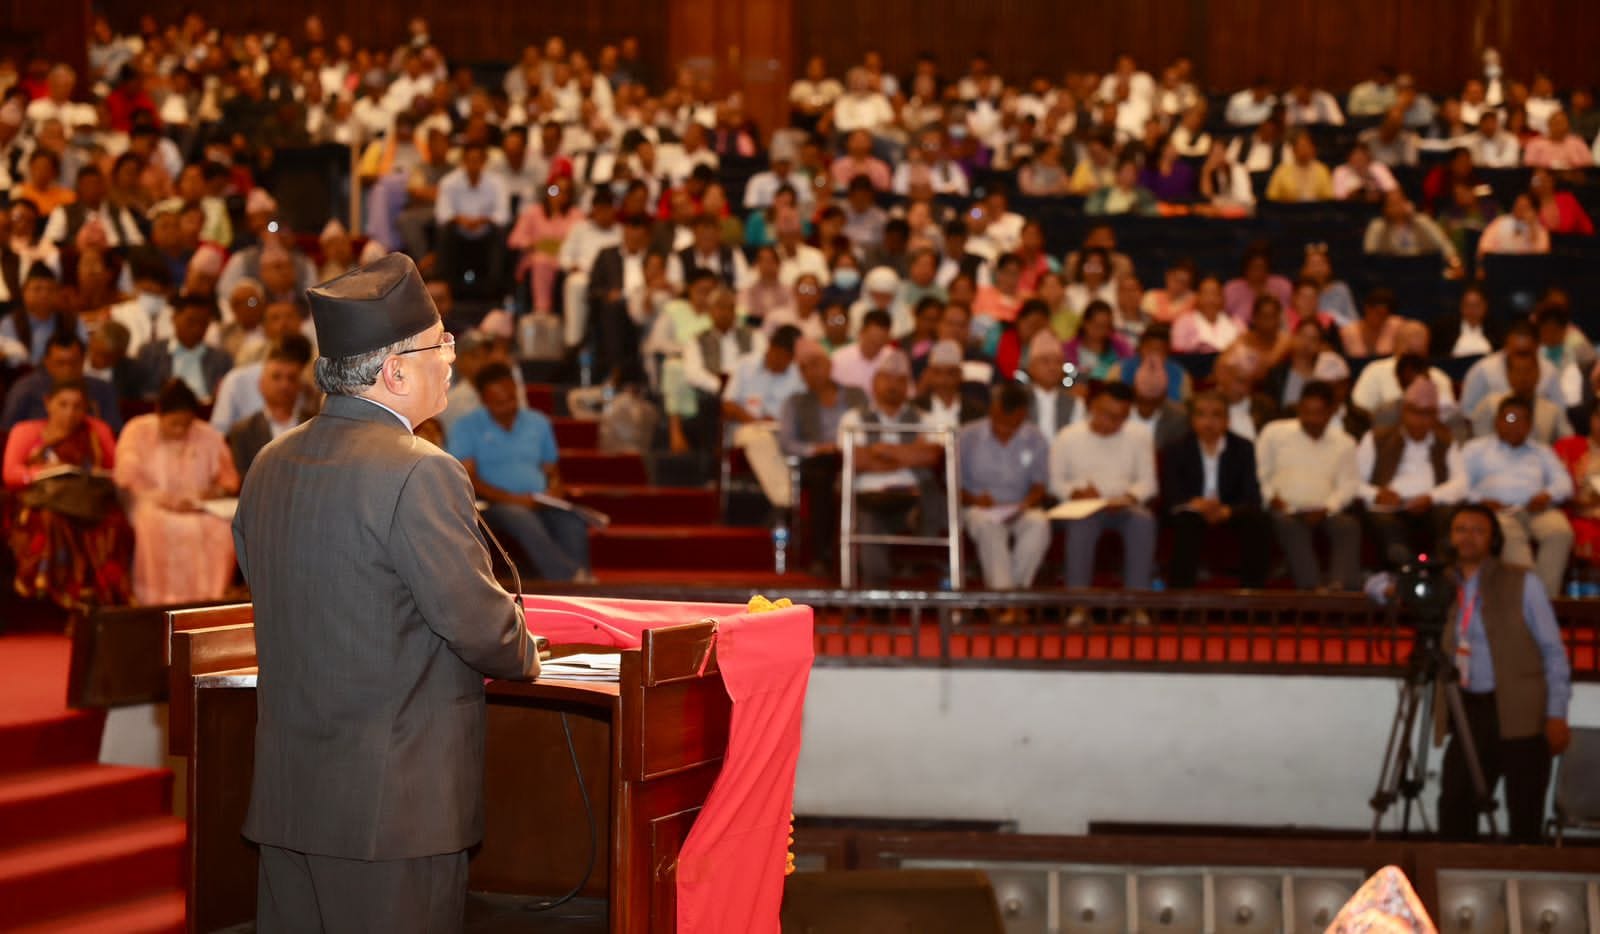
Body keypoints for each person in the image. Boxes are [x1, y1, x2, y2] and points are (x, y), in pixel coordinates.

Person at [235, 253, 541, 932]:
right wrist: (526, 649)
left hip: (290, 797)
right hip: (394, 809)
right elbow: (481, 627)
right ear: (395, 371)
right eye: (441, 344)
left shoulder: (268, 462)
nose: (452, 359)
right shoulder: (420, 471)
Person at [1434, 503, 1571, 845]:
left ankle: (1523, 875)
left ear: (1493, 540)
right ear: (1449, 537)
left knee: (1524, 810)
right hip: (1468, 709)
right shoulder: (1443, 583)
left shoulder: (1523, 582)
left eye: (1478, 530)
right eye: (1460, 529)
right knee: (1454, 806)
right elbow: (1383, 586)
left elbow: (1554, 651)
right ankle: (1457, 876)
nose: (1468, 537)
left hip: (1521, 712)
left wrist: (1556, 713)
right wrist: (1386, 587)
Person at [449, 362, 591, 583]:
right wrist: (515, 499)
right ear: (484, 400)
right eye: (500, 402)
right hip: (493, 504)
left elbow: (551, 471)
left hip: (539, 500)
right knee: (520, 516)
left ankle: (580, 582)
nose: (508, 406)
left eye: (512, 398)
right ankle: (572, 580)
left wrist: (555, 490)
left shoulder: (538, 422)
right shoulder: (466, 427)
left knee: (572, 520)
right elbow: (469, 479)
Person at [2, 379, 131, 610]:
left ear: (86, 407)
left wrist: (97, 473)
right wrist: (41, 471)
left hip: (89, 501)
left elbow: (119, 472)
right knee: (52, 519)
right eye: (63, 404)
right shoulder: (26, 431)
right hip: (42, 500)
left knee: (112, 523)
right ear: (48, 403)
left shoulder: (96, 430)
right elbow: (10, 474)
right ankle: (61, 591)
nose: (70, 412)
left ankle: (101, 596)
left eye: (77, 406)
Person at [115, 379, 240, 605]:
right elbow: (127, 476)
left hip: (199, 507)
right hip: (151, 501)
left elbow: (229, 480)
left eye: (186, 424)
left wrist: (213, 493)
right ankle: (157, 601)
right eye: (174, 424)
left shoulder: (207, 434)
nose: (181, 430)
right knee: (155, 525)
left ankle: (210, 599)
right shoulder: (137, 430)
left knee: (221, 529)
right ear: (159, 414)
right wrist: (166, 499)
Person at [1049, 382, 1157, 622]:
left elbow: (1148, 483)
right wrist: (1075, 492)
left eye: (1119, 418)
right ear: (1093, 407)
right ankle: (1079, 606)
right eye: (1106, 414)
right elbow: (1055, 483)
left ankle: (1136, 605)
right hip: (1082, 507)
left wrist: (1128, 498)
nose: (1111, 422)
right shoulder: (1068, 436)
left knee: (1143, 521)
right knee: (1081, 524)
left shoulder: (1139, 435)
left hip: (1124, 505)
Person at [836, 349, 945, 586]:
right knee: (869, 518)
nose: (893, 385)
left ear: (908, 386)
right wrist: (908, 454)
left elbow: (930, 456)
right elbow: (857, 459)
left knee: (933, 504)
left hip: (913, 498)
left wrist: (883, 450)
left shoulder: (924, 418)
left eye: (900, 380)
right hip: (869, 497)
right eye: (887, 378)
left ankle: (902, 580)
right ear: (875, 382)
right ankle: (877, 593)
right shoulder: (853, 418)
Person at [1460, 395, 1574, 597]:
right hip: (1497, 512)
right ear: (1497, 421)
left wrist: (1548, 495)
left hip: (1536, 509)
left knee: (1560, 531)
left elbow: (1564, 483)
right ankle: (1526, 598)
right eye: (1510, 418)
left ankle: (1545, 599)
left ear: (1530, 426)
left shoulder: (1542, 451)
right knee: (1510, 534)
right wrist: (1480, 501)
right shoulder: (1476, 449)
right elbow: (1459, 485)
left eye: (1522, 420)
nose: (1516, 425)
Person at [1160, 390, 1270, 589]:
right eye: (1201, 415)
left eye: (1216, 415)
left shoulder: (1243, 448)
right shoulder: (1177, 448)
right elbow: (1172, 493)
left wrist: (1227, 511)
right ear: (1191, 420)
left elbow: (1251, 494)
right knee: (1187, 523)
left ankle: (1251, 596)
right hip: (1192, 509)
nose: (1209, 422)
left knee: (1257, 521)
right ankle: (1181, 598)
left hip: (1229, 509)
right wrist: (1196, 504)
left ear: (1227, 421)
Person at [1257, 381, 1361, 591]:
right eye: (1306, 412)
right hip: (1283, 508)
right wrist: (1271, 497)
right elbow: (1260, 472)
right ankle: (1311, 589)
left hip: (1325, 510)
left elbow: (1348, 484)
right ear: (1298, 409)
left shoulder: (1345, 442)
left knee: (1348, 526)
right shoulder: (1274, 432)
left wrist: (1328, 507)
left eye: (1319, 413)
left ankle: (1339, 587)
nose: (1312, 419)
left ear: (1331, 412)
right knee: (1290, 526)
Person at [1357, 378, 1464, 567]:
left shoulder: (1446, 441)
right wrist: (1377, 494)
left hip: (1430, 506)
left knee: (1448, 515)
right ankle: (1404, 567)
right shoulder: (1375, 439)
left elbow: (1461, 482)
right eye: (1414, 412)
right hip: (1390, 507)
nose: (1420, 420)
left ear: (1435, 415)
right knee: (1384, 522)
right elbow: (1354, 481)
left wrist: (1432, 497)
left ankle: (1441, 570)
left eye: (1427, 414)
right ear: (1403, 411)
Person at [959, 383, 1049, 598]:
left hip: (1019, 506)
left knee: (1039, 523)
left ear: (1023, 415)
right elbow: (951, 484)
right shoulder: (967, 436)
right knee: (988, 526)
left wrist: (1028, 502)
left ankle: (1013, 596)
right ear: (992, 410)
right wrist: (974, 499)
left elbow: (1040, 484)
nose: (1004, 429)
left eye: (1012, 425)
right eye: (999, 422)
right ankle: (1006, 599)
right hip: (978, 507)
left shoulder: (1035, 438)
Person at [721, 325, 805, 510]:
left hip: (783, 430)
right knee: (761, 439)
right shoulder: (745, 365)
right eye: (779, 356)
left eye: (787, 359)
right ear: (770, 348)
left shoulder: (798, 373)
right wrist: (755, 421)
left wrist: (782, 422)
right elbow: (727, 405)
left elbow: (803, 411)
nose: (781, 362)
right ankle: (787, 501)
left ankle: (788, 502)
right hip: (747, 428)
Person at [1, 332, 123, 432]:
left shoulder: (102, 389)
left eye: (73, 362)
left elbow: (114, 432)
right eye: (60, 363)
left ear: (83, 361)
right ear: (47, 362)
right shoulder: (25, 388)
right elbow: (6, 431)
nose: (67, 369)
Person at [227, 341, 314, 478]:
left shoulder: (315, 424)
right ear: (261, 384)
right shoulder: (243, 431)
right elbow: (244, 480)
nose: (284, 385)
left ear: (300, 386)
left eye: (291, 378)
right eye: (276, 377)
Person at [1470, 351, 1572, 444]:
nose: (1523, 377)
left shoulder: (1552, 410)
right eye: (1518, 371)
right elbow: (1480, 440)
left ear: (1538, 373)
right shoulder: (1490, 404)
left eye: (1528, 371)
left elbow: (1568, 441)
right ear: (1508, 375)